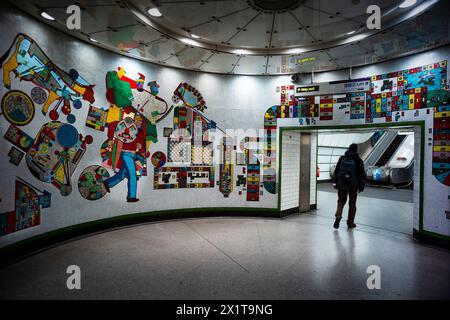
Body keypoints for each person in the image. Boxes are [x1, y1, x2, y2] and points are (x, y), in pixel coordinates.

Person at [332, 143, 366, 229]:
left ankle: (338, 217)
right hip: (353, 185)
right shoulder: (358, 160)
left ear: (348, 149)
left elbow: (336, 171)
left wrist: (336, 182)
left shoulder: (342, 158)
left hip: (342, 184)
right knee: (352, 203)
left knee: (341, 201)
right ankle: (350, 223)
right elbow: (361, 175)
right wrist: (360, 186)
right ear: (356, 150)